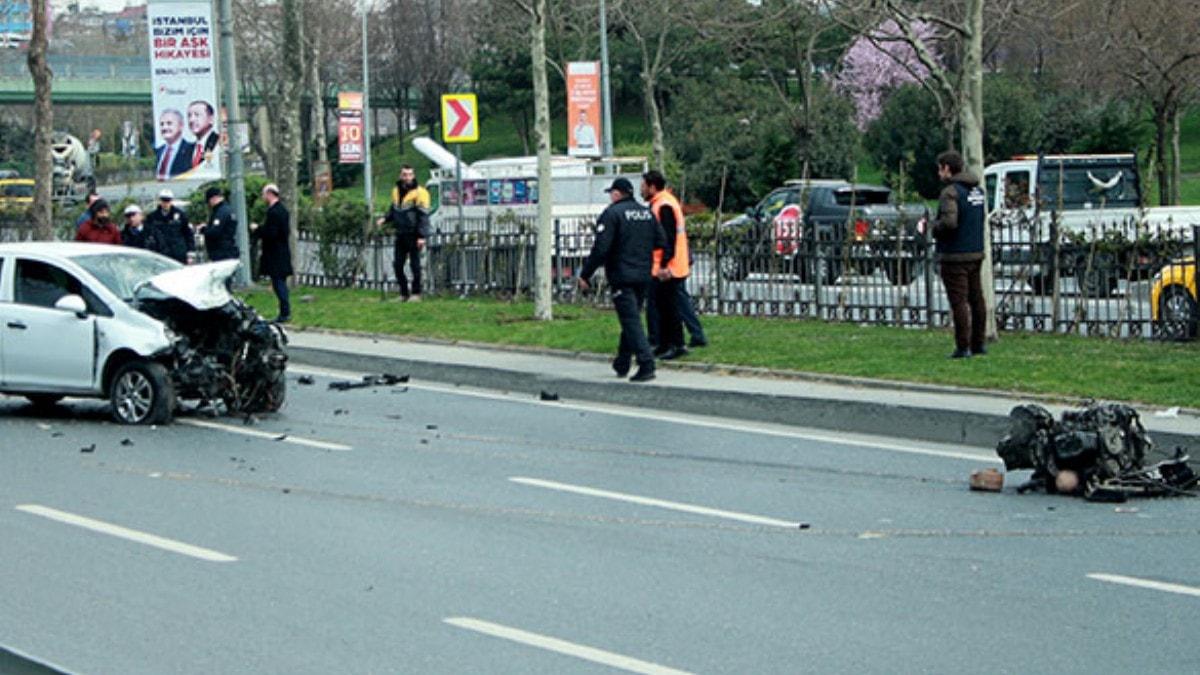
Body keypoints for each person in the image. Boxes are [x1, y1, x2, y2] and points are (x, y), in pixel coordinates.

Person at [578, 177, 666, 383]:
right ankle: (623, 361)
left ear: (617, 194)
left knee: (631, 320)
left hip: (622, 275)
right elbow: (660, 241)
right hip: (644, 275)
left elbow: (601, 249)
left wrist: (585, 274)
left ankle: (646, 363)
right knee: (632, 316)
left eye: (611, 193)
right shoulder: (646, 213)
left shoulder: (612, 214)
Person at [934, 150, 988, 359]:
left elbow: (949, 223)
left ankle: (963, 346)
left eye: (940, 168)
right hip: (975, 251)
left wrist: (933, 227)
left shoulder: (951, 193)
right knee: (977, 299)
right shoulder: (978, 192)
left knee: (959, 302)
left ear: (947, 168)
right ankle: (979, 343)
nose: (939, 173)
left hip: (955, 254)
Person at [642, 170, 690, 361]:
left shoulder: (664, 205)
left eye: (644, 186)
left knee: (669, 308)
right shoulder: (662, 203)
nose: (642, 189)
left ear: (652, 186)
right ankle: (664, 343)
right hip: (666, 265)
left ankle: (676, 344)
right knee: (661, 306)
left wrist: (664, 265)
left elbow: (667, 238)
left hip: (668, 268)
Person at [375, 165, 431, 301]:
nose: (407, 177)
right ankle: (404, 293)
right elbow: (394, 210)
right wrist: (385, 218)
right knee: (398, 265)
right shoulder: (396, 191)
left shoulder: (420, 192)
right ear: (400, 176)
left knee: (415, 265)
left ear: (413, 176)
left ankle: (416, 293)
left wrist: (422, 236)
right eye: (404, 175)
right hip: (400, 233)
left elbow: (423, 216)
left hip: (414, 234)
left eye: (410, 174)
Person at [250, 183, 294, 323]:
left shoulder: (273, 212)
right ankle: (284, 310)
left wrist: (257, 229)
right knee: (279, 281)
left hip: (275, 253)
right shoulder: (283, 210)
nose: (263, 197)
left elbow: (271, 233)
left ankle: (285, 312)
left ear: (270, 194)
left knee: (278, 282)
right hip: (282, 250)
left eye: (264, 194)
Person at [145, 188, 195, 264]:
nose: (165, 203)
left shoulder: (181, 215)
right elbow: (148, 235)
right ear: (160, 201)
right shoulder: (152, 217)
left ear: (171, 201)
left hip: (178, 253)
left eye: (168, 200)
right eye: (163, 200)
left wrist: (190, 252)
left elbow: (188, 234)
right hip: (160, 254)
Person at [199, 186, 239, 262]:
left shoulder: (221, 212)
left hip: (222, 253)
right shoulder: (227, 209)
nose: (209, 204)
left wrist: (203, 229)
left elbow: (215, 232)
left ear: (213, 198)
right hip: (227, 250)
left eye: (209, 201)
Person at [155, 109, 195, 180]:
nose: (164, 127)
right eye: (162, 124)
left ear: (181, 126)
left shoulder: (192, 150)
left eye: (169, 123)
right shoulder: (158, 151)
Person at [187, 100, 219, 168]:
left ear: (211, 119)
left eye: (197, 115)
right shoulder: (187, 149)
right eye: (189, 116)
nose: (191, 120)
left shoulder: (218, 142)